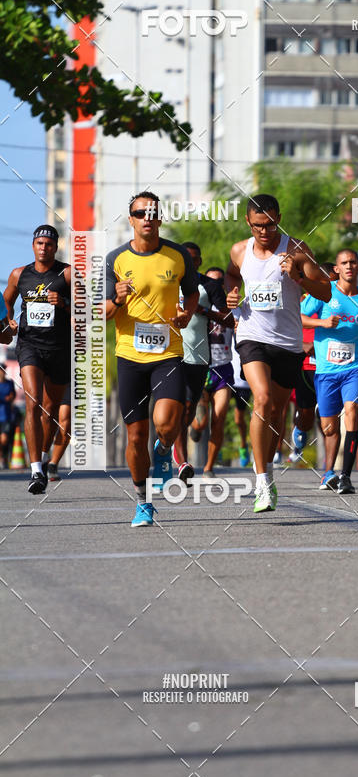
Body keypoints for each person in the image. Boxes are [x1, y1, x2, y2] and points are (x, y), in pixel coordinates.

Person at [225, 193, 331, 513]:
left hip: (287, 342)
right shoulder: (240, 251)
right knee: (262, 399)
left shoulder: (297, 250)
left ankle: (268, 471)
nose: (264, 231)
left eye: (271, 225)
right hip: (251, 335)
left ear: (279, 219)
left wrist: (298, 277)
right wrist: (231, 293)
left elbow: (326, 291)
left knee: (277, 412)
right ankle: (261, 481)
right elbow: (232, 275)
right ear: (248, 222)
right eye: (258, 225)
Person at [105, 192, 199, 527]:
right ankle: (143, 503)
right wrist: (117, 299)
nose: (147, 217)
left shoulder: (177, 255)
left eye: (152, 212)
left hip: (167, 354)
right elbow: (102, 312)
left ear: (160, 218)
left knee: (167, 424)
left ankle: (163, 450)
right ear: (130, 219)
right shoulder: (115, 260)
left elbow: (192, 292)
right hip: (130, 356)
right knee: (135, 436)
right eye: (140, 212)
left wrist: (187, 313)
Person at [301, 249, 358, 493]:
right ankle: (328, 473)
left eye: (352, 262)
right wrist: (322, 322)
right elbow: (298, 316)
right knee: (329, 428)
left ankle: (345, 476)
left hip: (356, 366)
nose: (348, 266)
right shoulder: (324, 292)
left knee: (352, 411)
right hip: (326, 369)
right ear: (336, 269)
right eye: (344, 263)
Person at [4, 225, 71, 494]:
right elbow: (6, 301)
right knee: (32, 402)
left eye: (49, 244)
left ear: (56, 247)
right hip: (29, 345)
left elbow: (87, 308)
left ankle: (42, 458)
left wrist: (63, 302)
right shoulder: (19, 274)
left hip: (60, 348)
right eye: (40, 243)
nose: (44, 248)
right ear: (33, 246)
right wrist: (8, 321)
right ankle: (35, 471)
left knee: (50, 409)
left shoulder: (68, 274)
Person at [172, 243, 228, 483]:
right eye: (184, 257)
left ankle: (173, 442)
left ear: (199, 261)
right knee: (178, 407)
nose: (189, 262)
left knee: (189, 410)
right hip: (171, 354)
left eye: (193, 258)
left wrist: (202, 311)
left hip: (199, 356)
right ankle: (183, 462)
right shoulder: (168, 282)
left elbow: (229, 319)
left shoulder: (210, 286)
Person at [289, 261, 336, 463]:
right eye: (330, 282)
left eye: (336, 282)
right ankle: (301, 427)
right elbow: (288, 325)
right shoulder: (304, 300)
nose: (333, 286)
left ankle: (329, 464)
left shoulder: (341, 300)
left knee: (329, 415)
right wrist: (303, 343)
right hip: (307, 364)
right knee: (307, 414)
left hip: (332, 363)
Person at [202, 266, 235, 477]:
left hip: (223, 368)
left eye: (219, 282)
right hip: (200, 367)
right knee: (200, 421)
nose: (214, 286)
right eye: (209, 282)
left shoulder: (232, 308)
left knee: (219, 417)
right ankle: (196, 429)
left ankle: (209, 467)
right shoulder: (196, 303)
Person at [231, 333, 251, 467]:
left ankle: (243, 445)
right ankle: (217, 447)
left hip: (243, 382)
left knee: (239, 419)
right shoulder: (227, 326)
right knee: (218, 415)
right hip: (227, 378)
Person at [47, 382, 71, 481]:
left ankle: (52, 464)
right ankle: (41, 460)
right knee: (47, 416)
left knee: (65, 423)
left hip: (71, 378)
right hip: (46, 377)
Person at [0, 367, 16, 469]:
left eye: (3, 370)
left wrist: (9, 397)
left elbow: (12, 396)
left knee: (4, 439)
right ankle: (2, 457)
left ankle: (3, 457)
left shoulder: (10, 383)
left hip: (6, 416)